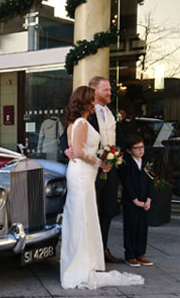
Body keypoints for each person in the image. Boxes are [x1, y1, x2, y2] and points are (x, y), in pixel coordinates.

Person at [60, 86, 144, 289]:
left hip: (84, 174)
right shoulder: (80, 122)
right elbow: (79, 152)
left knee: (86, 216)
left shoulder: (78, 122)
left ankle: (85, 263)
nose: (94, 103)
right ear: (85, 102)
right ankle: (79, 267)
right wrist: (100, 162)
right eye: (91, 100)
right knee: (81, 217)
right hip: (81, 174)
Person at [60, 76, 126, 264]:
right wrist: (67, 149)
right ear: (94, 91)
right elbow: (67, 138)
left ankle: (101, 249)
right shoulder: (82, 118)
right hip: (89, 170)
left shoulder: (110, 111)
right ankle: (85, 255)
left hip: (109, 168)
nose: (110, 92)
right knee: (88, 212)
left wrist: (123, 155)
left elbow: (118, 137)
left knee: (108, 209)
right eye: (106, 89)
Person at [119, 134, 155, 268]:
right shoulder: (126, 164)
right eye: (137, 148)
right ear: (129, 150)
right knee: (131, 227)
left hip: (145, 201)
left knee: (142, 228)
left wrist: (149, 199)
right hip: (131, 202)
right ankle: (130, 255)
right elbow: (126, 183)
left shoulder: (146, 163)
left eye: (142, 147)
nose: (141, 150)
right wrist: (135, 200)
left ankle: (141, 253)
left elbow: (151, 181)